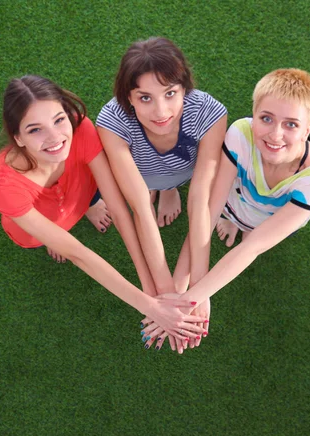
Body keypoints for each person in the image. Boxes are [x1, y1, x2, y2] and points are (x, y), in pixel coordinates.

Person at [0, 75, 206, 341]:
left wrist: (154, 290)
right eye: (35, 130)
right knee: (55, 240)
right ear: (18, 138)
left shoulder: (81, 129)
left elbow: (120, 210)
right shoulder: (1, 184)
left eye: (59, 120)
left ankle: (84, 211)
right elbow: (79, 254)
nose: (55, 138)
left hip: (80, 195)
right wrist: (151, 307)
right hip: (36, 225)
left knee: (95, 198)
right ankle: (53, 237)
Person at [141, 68, 310, 350]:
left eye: (291, 124)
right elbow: (207, 213)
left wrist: (194, 298)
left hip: (266, 224)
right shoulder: (240, 134)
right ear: (254, 115)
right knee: (224, 218)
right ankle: (235, 223)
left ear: (309, 129)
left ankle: (241, 226)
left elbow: (252, 248)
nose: (275, 134)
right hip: (232, 206)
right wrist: (178, 290)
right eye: (266, 119)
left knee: (250, 241)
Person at [96, 37, 227, 353]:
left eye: (170, 93)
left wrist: (195, 290)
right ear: (129, 98)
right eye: (145, 98)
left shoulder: (209, 114)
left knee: (180, 191)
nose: (161, 111)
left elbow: (199, 198)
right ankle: (161, 188)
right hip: (140, 178)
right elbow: (139, 206)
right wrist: (165, 297)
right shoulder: (112, 121)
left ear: (184, 89)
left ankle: (168, 190)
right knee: (145, 196)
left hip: (183, 174)